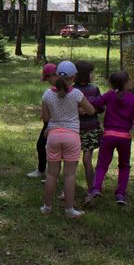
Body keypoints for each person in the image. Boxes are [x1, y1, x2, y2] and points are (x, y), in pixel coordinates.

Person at [40, 61, 96, 219]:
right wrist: (78, 111)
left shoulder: (47, 94)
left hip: (53, 136)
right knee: (69, 175)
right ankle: (69, 210)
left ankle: (47, 206)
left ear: (57, 75)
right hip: (72, 136)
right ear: (74, 77)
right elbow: (91, 110)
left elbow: (45, 118)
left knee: (51, 174)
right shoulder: (77, 94)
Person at [86, 71, 134, 206]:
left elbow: (97, 103)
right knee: (124, 166)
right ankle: (120, 194)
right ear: (126, 83)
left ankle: (96, 188)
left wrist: (85, 99)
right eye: (129, 80)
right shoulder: (133, 99)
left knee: (102, 164)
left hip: (108, 136)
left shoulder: (110, 95)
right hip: (124, 138)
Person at [73, 60, 103, 191]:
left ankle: (92, 188)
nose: (92, 75)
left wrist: (92, 109)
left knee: (86, 160)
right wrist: (77, 111)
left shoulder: (94, 89)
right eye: (91, 73)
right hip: (75, 131)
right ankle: (69, 186)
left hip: (91, 130)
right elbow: (65, 108)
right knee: (72, 161)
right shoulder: (72, 89)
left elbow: (102, 107)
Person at [27, 63, 57, 179]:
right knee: (41, 145)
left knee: (54, 148)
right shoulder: (49, 92)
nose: (50, 79)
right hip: (49, 122)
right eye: (48, 77)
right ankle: (42, 169)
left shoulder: (68, 90)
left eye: (52, 76)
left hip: (58, 123)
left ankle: (52, 173)